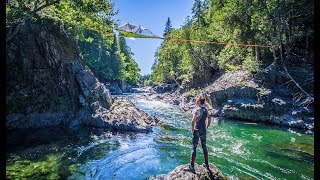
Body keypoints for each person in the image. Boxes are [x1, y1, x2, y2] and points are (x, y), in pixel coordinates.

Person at [187, 95, 212, 171]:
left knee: (194, 147)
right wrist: (206, 127)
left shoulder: (197, 110)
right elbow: (209, 119)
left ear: (199, 101)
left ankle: (192, 165)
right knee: (204, 146)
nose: (195, 101)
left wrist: (192, 129)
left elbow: (193, 120)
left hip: (197, 129)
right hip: (203, 130)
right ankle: (206, 164)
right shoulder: (206, 110)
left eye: (197, 100)